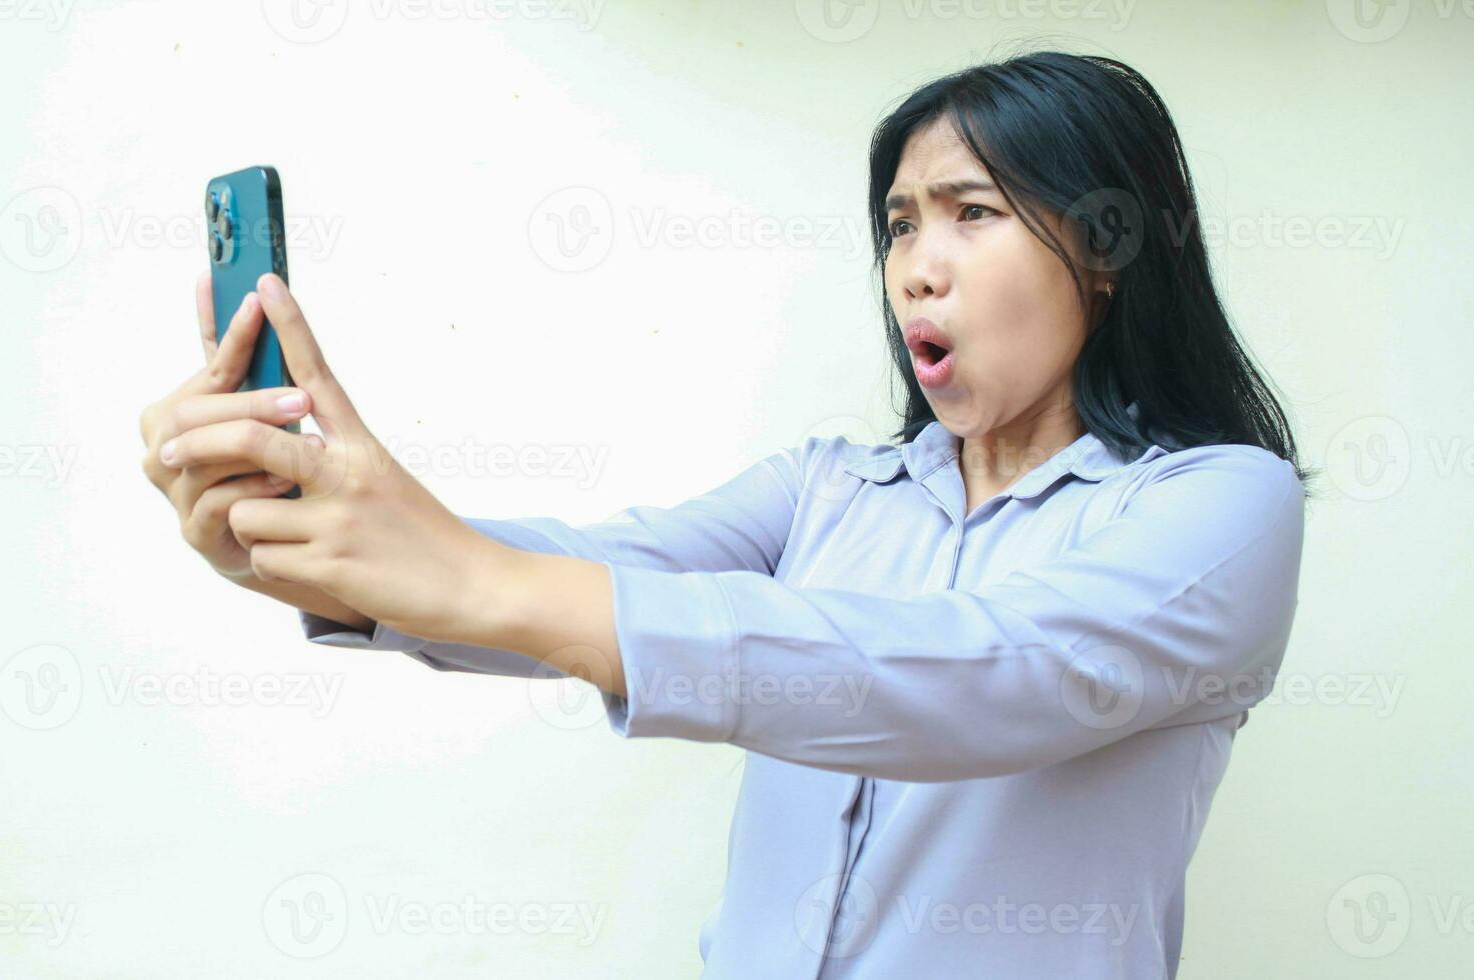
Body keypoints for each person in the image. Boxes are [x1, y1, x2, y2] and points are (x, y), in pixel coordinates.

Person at [141, 50, 1314, 979]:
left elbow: (976, 674)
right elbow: (585, 568)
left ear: (1104, 253)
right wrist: (304, 533)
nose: (915, 263)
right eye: (901, 222)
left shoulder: (1216, 505)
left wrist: (465, 574)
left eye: (970, 212)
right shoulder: (827, 487)